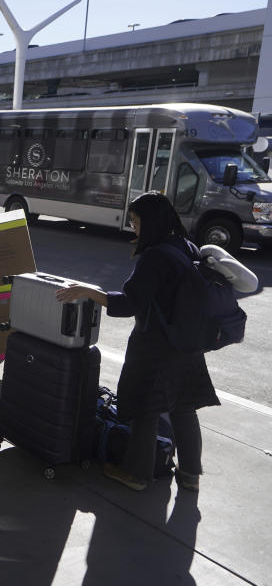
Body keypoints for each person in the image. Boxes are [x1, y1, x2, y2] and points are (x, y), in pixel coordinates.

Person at [56, 192, 221, 492]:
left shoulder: (155, 256)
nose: (133, 227)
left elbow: (129, 303)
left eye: (136, 221)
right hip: (189, 344)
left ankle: (137, 475)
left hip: (156, 347)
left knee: (146, 409)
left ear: (152, 222)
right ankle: (191, 475)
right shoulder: (187, 246)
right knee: (184, 408)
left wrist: (88, 291)